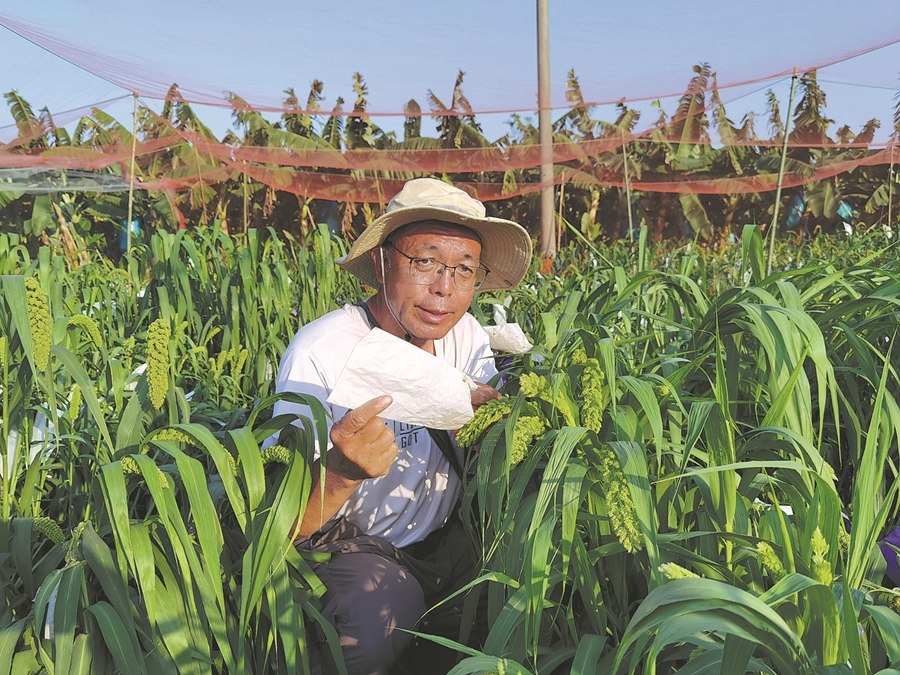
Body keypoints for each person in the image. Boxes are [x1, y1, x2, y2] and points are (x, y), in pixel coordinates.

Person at [271, 178, 533, 675]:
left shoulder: (466, 335)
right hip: (353, 549)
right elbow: (278, 530)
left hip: (447, 540)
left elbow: (486, 453)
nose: (444, 288)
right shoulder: (321, 353)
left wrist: (490, 429)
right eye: (425, 262)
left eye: (463, 270)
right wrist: (341, 473)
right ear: (380, 262)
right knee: (368, 630)